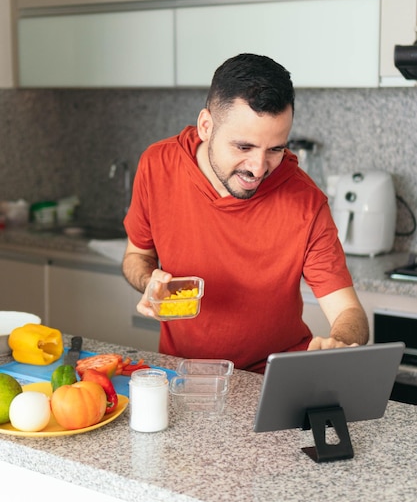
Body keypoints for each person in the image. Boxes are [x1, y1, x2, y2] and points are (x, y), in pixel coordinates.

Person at [122, 53, 369, 373]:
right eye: (244, 147)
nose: (258, 168)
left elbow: (350, 312)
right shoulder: (158, 165)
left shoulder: (305, 201)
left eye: (275, 149)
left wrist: (340, 341)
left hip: (271, 382)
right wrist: (150, 282)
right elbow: (136, 256)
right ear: (206, 126)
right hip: (183, 376)